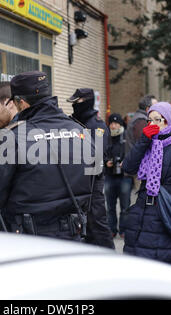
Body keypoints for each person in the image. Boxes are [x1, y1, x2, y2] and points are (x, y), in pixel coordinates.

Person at [0, 71, 96, 242]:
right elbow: (96, 179)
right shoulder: (80, 130)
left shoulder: (14, 136)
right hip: (73, 234)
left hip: (31, 237)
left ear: (21, 102)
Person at [122, 102, 171, 265]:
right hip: (143, 211)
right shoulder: (147, 144)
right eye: (149, 120)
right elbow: (128, 167)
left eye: (157, 120)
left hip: (164, 213)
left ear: (168, 121)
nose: (152, 124)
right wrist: (143, 141)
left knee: (164, 266)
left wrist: (167, 200)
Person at [67, 88, 115, 249]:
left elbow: (96, 158)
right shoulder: (74, 123)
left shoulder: (97, 126)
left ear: (87, 102)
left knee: (97, 224)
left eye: (77, 102)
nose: (74, 106)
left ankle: (111, 259)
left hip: (93, 184)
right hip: (76, 184)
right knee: (82, 227)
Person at [104, 113, 133, 238]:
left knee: (125, 207)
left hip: (124, 176)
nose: (114, 125)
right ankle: (112, 229)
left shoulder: (126, 135)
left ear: (120, 124)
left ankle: (124, 230)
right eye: (111, 123)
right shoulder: (106, 137)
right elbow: (101, 152)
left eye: (116, 123)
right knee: (110, 207)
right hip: (110, 176)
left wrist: (125, 162)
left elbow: (132, 152)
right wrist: (106, 162)